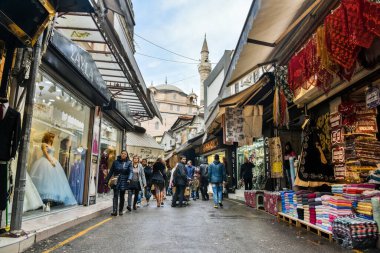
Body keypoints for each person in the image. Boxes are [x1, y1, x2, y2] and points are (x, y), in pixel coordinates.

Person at [30, 132, 77, 212]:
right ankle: (41, 202)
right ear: (47, 137)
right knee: (44, 180)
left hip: (52, 162)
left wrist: (53, 161)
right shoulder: (44, 144)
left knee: (52, 181)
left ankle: (49, 202)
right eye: (51, 137)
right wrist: (51, 161)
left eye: (52, 138)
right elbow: (46, 153)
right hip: (45, 162)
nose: (52, 139)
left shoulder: (51, 145)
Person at [105, 150, 133, 216]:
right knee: (115, 195)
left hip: (124, 180)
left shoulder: (129, 162)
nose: (123, 155)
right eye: (122, 153)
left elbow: (131, 172)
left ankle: (120, 210)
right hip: (116, 180)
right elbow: (111, 171)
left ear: (127, 155)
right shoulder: (115, 162)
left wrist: (129, 179)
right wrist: (106, 180)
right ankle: (114, 211)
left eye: (125, 154)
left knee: (122, 196)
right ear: (120, 154)